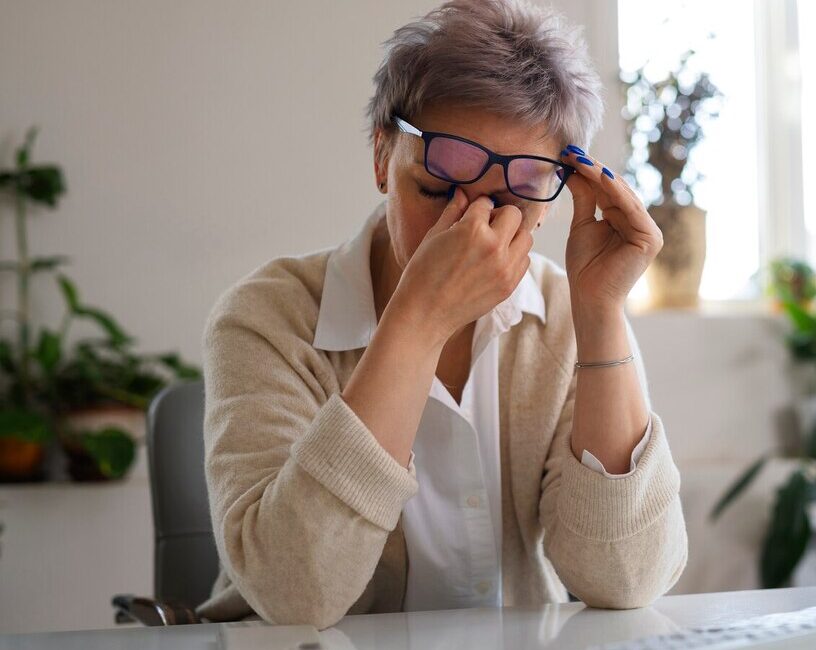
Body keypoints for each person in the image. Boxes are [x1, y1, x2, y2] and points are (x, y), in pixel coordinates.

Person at [196, 0, 687, 629]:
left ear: (550, 197)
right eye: (436, 187)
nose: (470, 227)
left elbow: (625, 579)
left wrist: (601, 312)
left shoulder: (568, 314)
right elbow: (294, 595)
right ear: (382, 158)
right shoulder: (267, 317)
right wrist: (419, 321)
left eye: (510, 199)